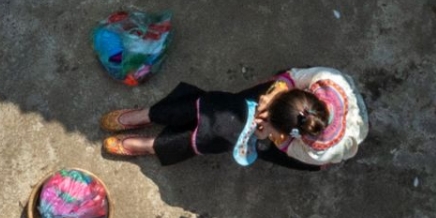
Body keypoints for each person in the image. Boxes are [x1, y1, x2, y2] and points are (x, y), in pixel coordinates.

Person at [99, 73, 336, 169]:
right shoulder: (324, 80)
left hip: (291, 141)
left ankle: (154, 144)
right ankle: (150, 114)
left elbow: (292, 151)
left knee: (222, 134)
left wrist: (266, 136)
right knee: (219, 108)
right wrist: (271, 95)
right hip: (287, 115)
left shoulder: (314, 153)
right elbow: (291, 76)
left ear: (282, 134)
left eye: (267, 120)